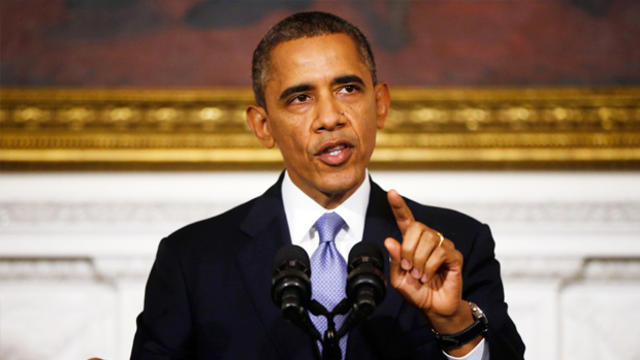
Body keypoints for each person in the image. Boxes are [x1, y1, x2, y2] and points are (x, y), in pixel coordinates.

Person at [131, 12, 524, 360]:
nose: (330, 117)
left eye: (348, 89)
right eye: (301, 98)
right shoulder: (192, 260)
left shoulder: (455, 244)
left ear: (380, 104)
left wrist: (454, 325)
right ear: (263, 126)